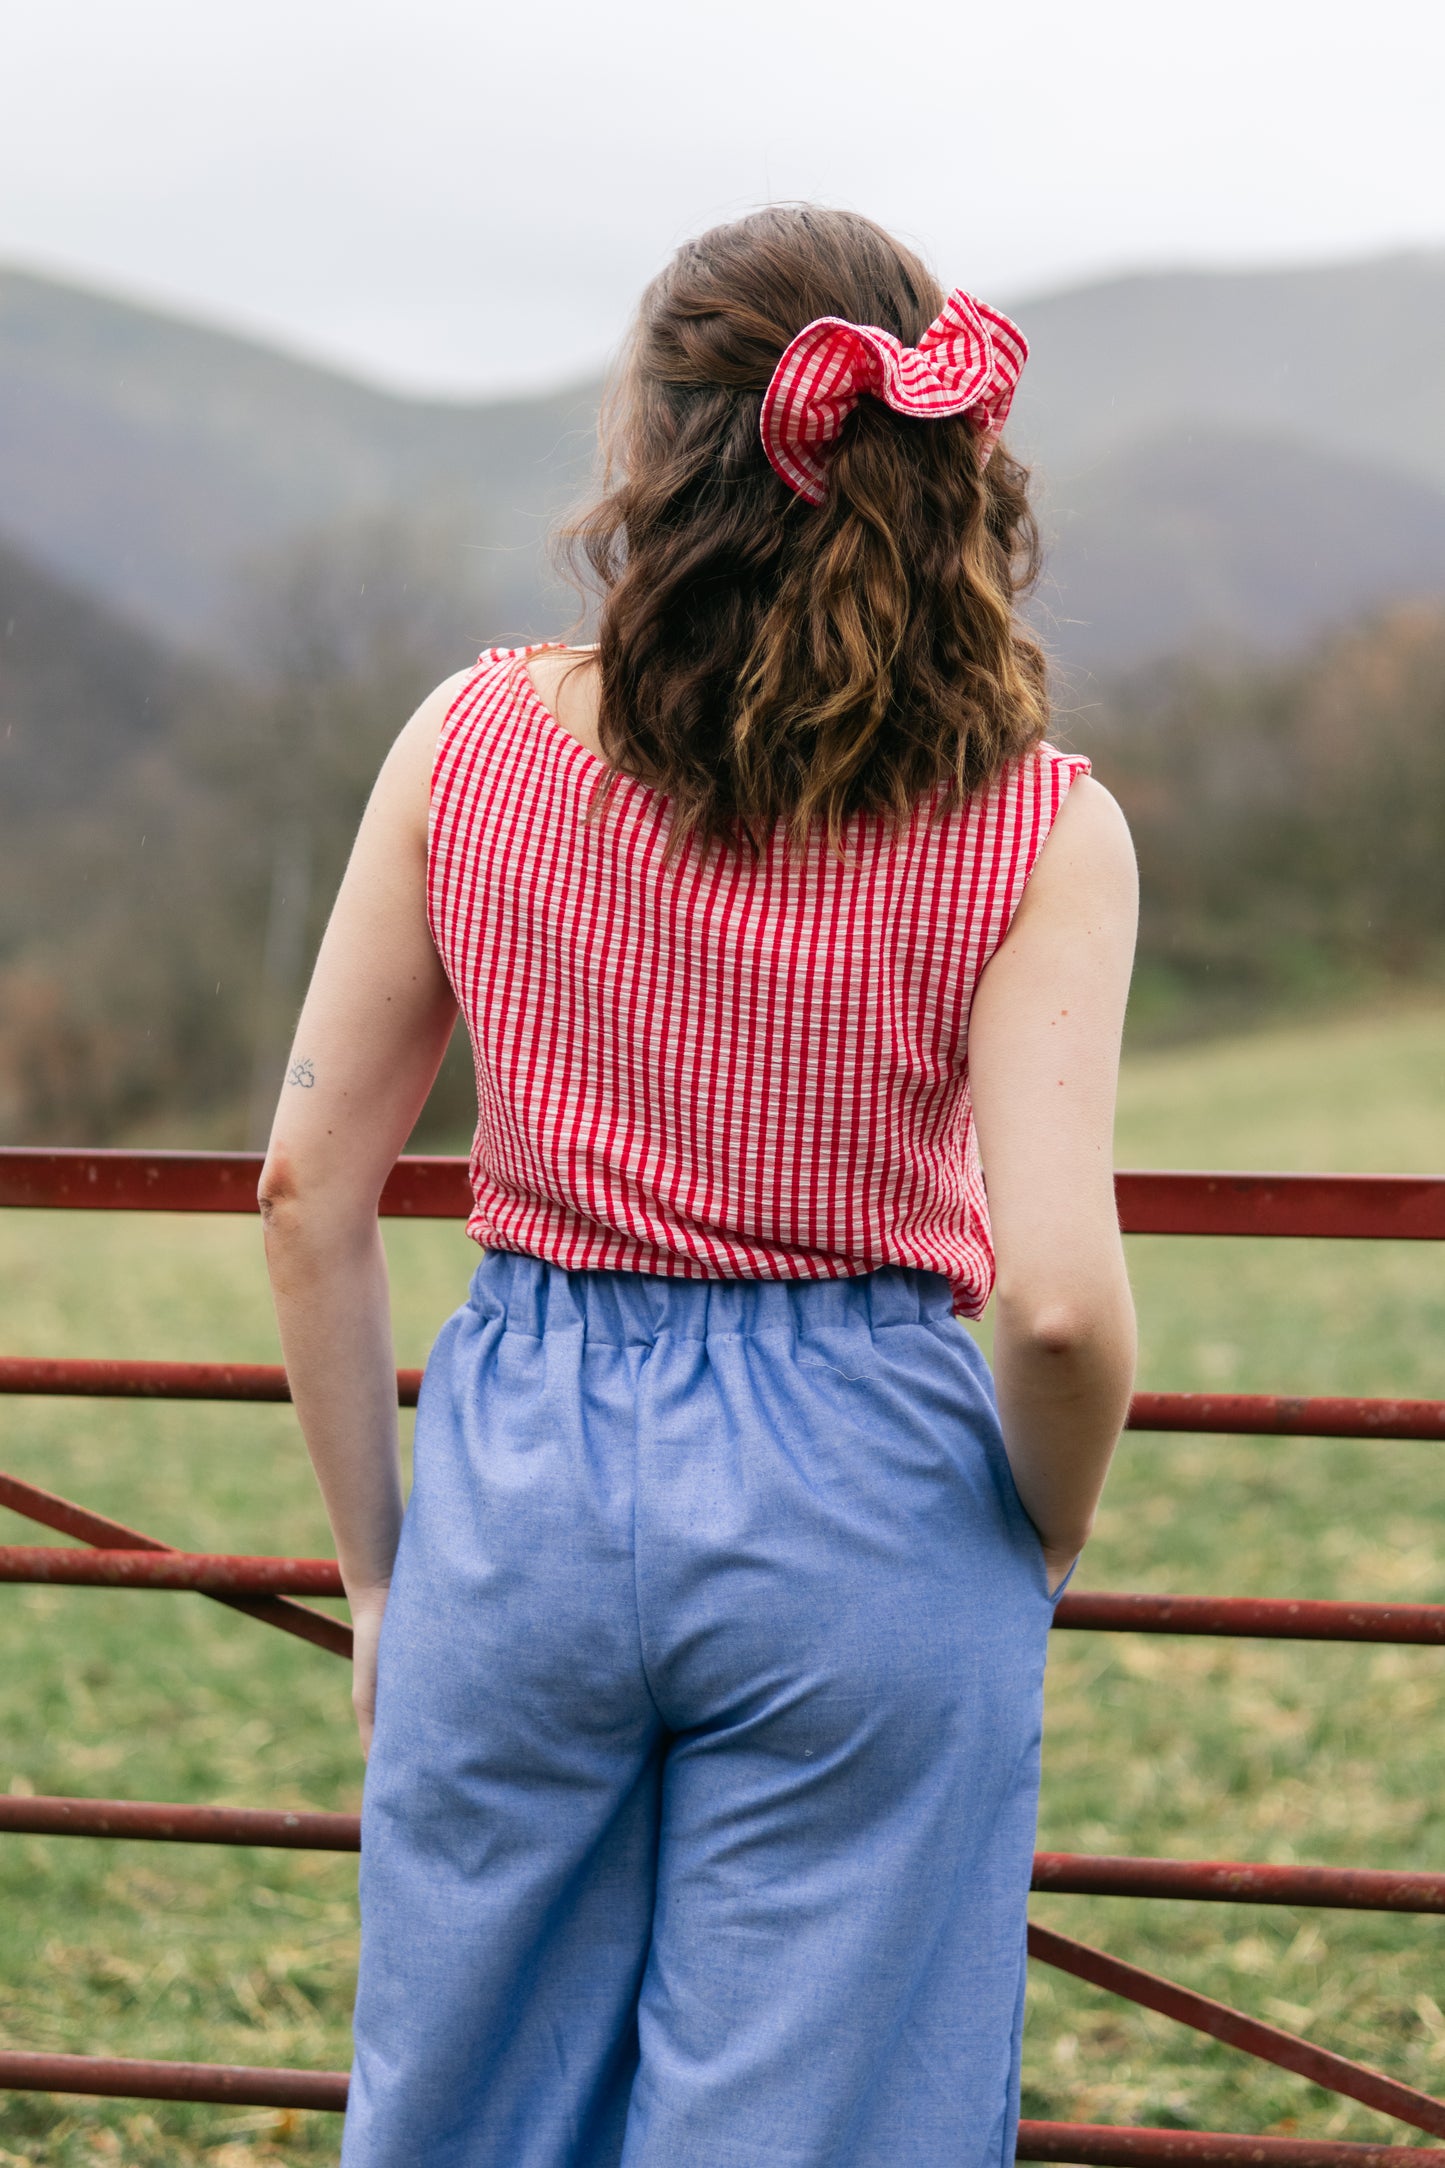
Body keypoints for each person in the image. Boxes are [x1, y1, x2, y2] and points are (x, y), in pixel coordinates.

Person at [259, 203, 1138, 2168]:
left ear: (652, 447)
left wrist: (387, 1572)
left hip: (524, 1490)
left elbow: (306, 1184)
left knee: (469, 2104)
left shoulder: (466, 743)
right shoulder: (1037, 825)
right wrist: (1031, 1546)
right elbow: (1063, 1307)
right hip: (872, 1499)